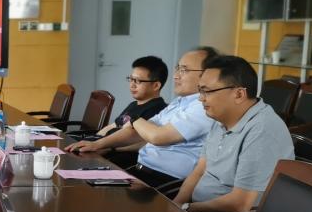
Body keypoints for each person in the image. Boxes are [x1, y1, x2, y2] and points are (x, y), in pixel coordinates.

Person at [67, 47, 219, 187]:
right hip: (141, 172)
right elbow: (137, 132)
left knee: (86, 191)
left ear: (207, 74)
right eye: (177, 68)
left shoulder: (202, 106)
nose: (176, 76)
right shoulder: (179, 102)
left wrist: (134, 119)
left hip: (163, 181)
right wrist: (97, 144)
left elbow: (158, 137)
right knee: (75, 178)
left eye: (184, 70)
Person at [173, 56, 294, 212]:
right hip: (196, 211)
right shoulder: (221, 117)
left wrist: (186, 209)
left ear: (239, 94)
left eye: (207, 91)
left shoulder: (262, 130)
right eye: (200, 90)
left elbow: (241, 203)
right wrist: (176, 205)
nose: (201, 98)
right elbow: (200, 171)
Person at [95, 56, 168, 136]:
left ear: (156, 86)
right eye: (131, 79)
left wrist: (98, 142)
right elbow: (114, 125)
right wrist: (95, 138)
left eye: (138, 81)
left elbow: (129, 137)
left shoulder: (157, 110)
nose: (132, 85)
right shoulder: (134, 104)